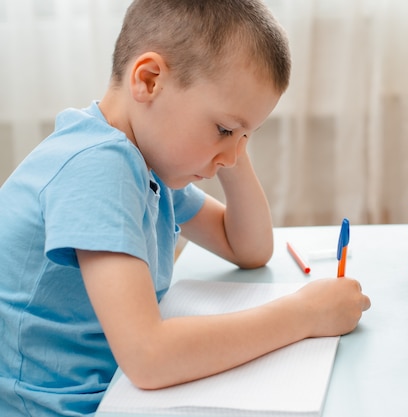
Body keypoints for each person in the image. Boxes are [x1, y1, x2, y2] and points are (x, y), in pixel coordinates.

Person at [0, 0, 371, 415]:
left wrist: (232, 140)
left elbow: (247, 247)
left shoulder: (147, 163)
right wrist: (305, 314)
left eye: (246, 136)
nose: (232, 155)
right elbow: (148, 355)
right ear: (149, 80)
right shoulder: (98, 167)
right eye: (224, 129)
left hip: (114, 392)